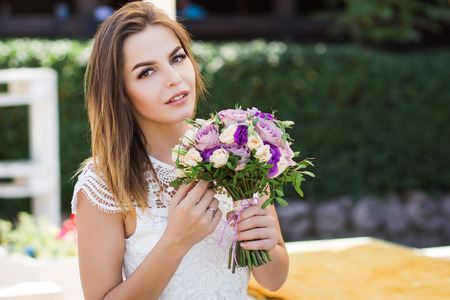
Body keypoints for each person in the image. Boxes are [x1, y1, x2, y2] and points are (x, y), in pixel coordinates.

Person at [72, 1, 288, 299]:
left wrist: (265, 243)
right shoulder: (104, 184)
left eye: (176, 58)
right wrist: (176, 241)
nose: (173, 78)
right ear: (120, 93)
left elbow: (275, 279)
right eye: (147, 72)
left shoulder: (240, 146)